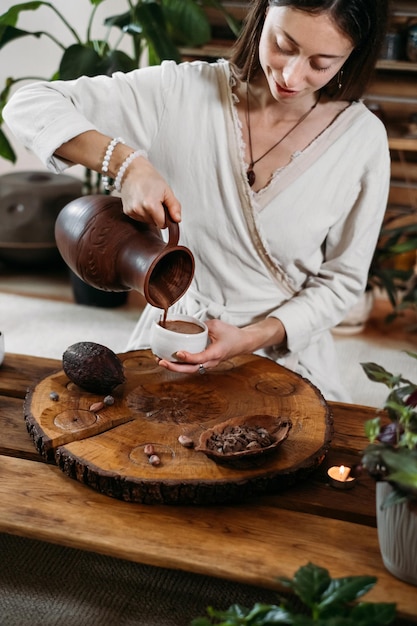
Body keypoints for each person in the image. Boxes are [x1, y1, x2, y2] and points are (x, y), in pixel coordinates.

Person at [4, 0, 391, 401]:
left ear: (351, 55)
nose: (292, 75)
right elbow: (28, 104)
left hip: (282, 358)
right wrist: (127, 165)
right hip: (173, 342)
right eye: (284, 44)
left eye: (321, 63)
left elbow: (342, 281)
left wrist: (250, 337)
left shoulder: (361, 142)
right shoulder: (181, 92)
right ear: (263, 14)